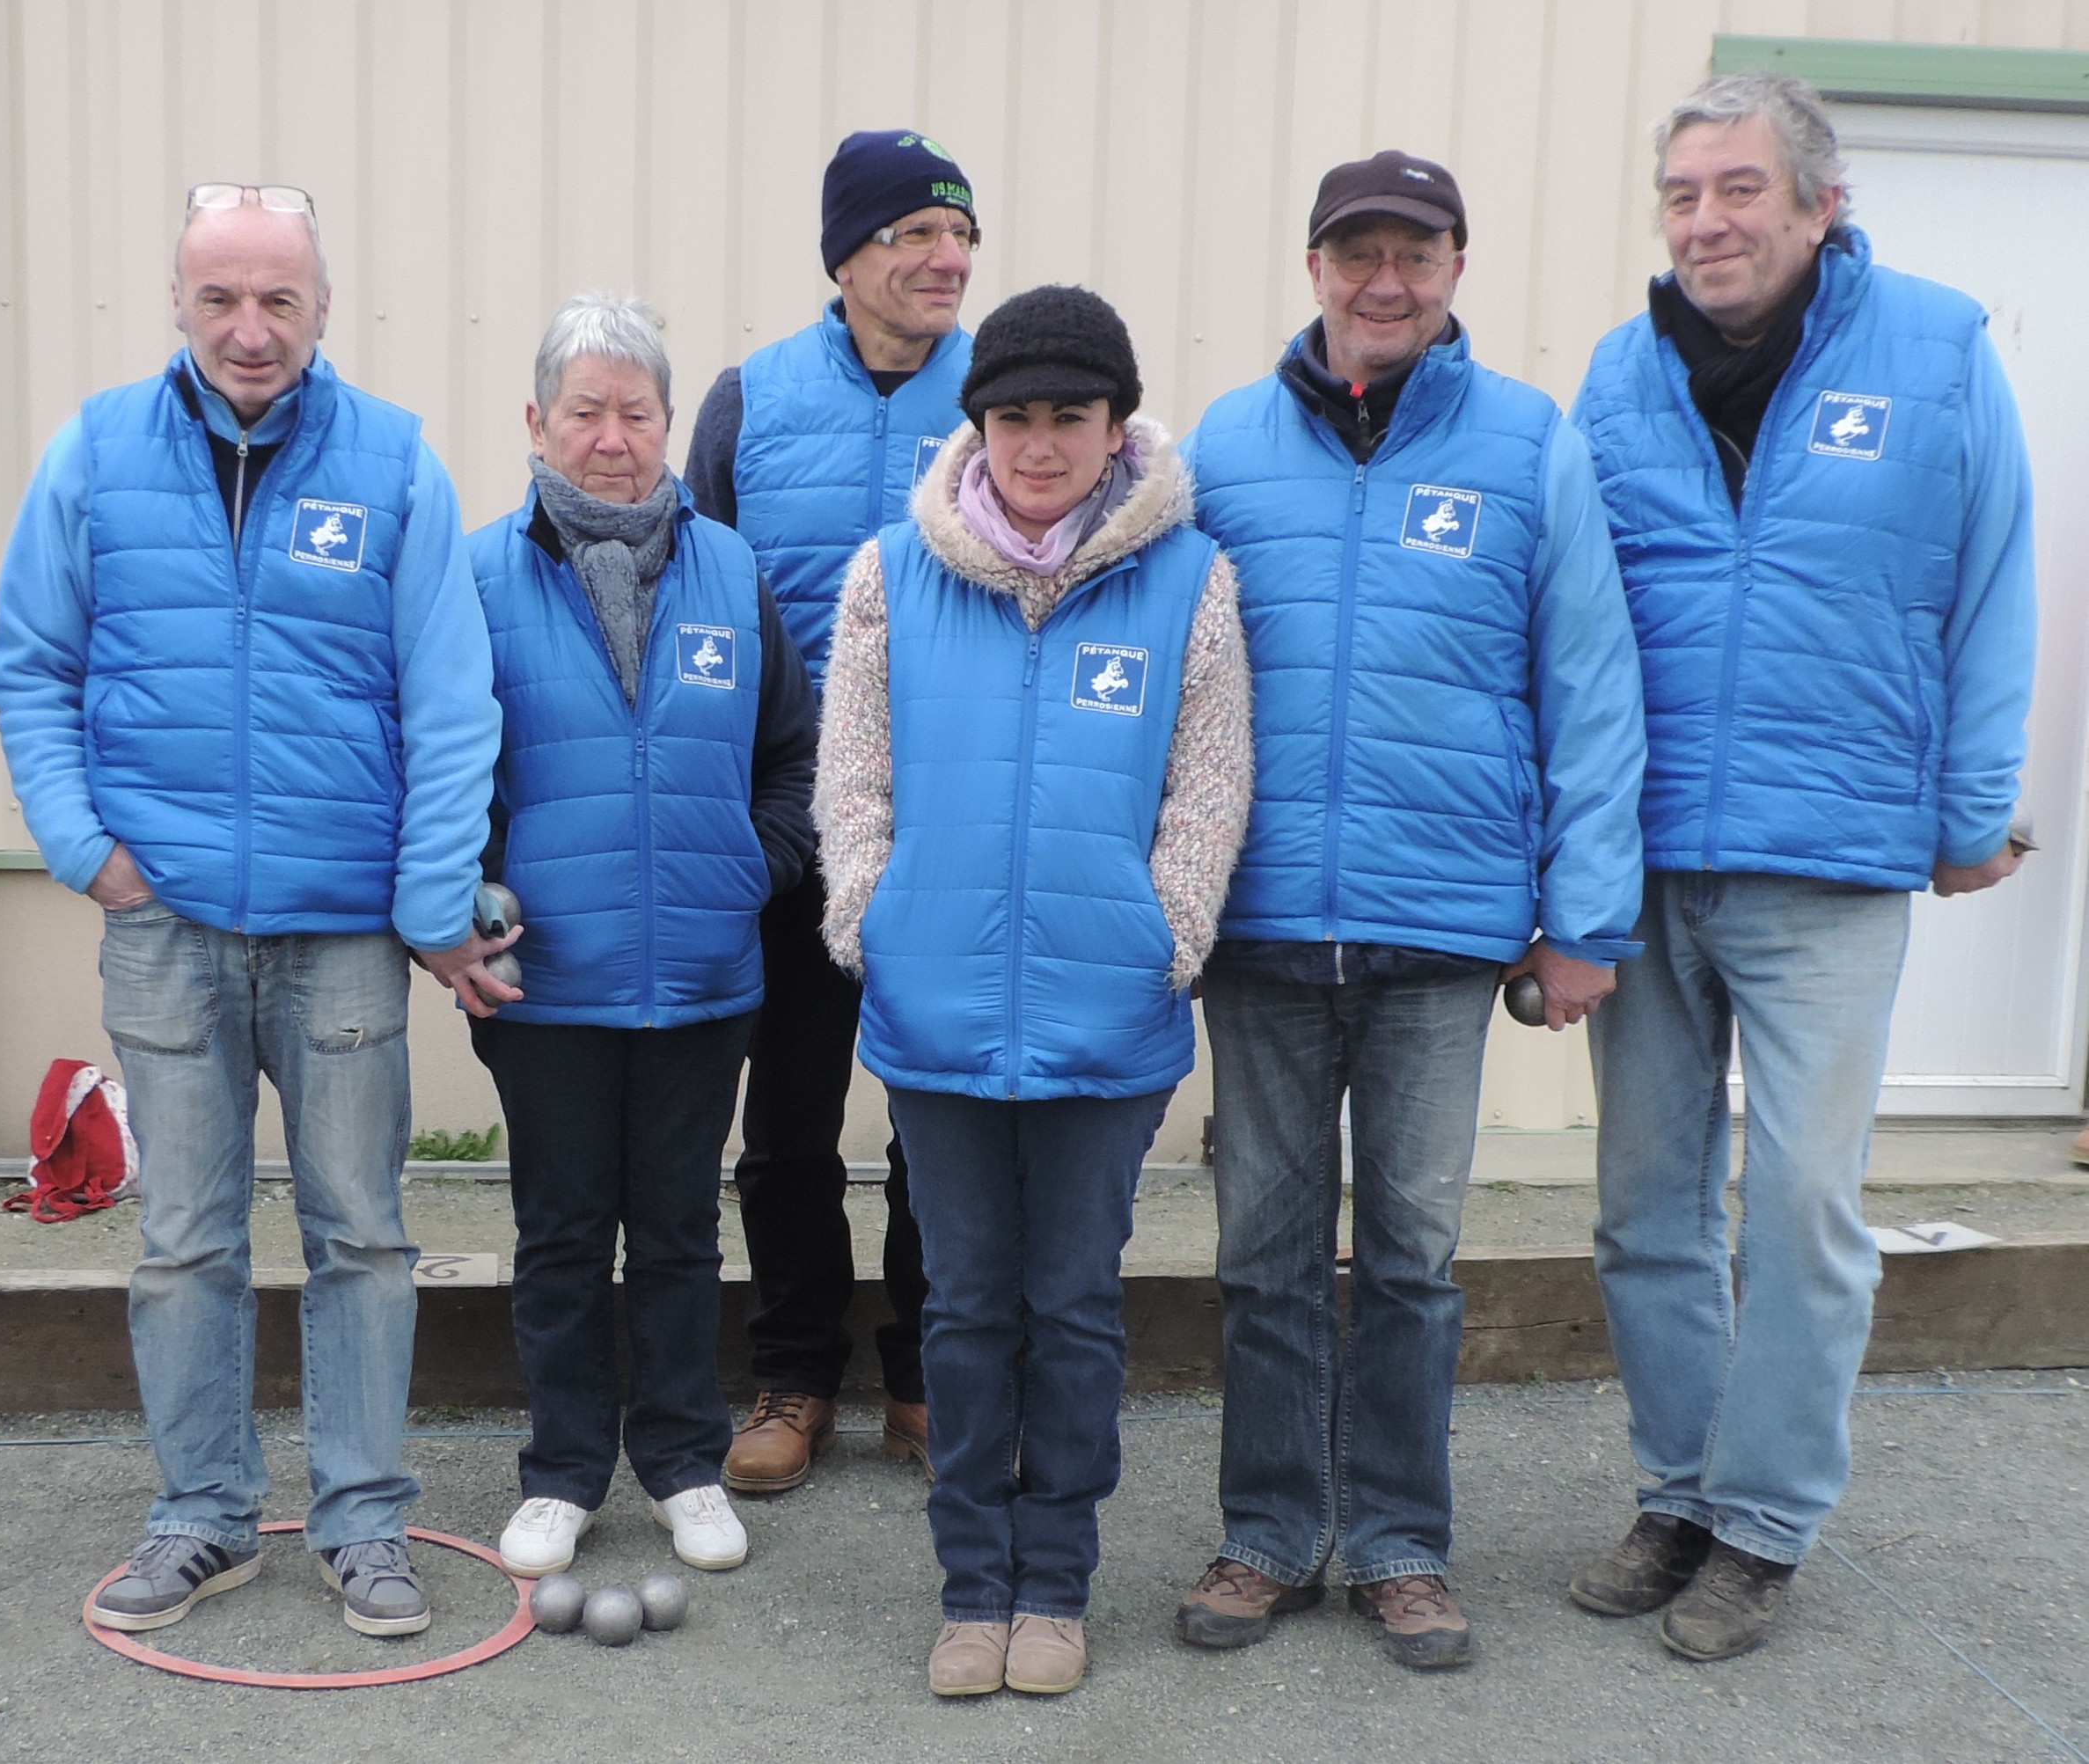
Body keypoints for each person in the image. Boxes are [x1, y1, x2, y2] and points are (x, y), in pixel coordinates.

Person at [0, 183, 504, 1640]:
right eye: (221, 297)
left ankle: (363, 1521)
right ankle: (202, 1514)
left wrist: (419, 901)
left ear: (323, 308)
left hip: (342, 931)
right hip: (166, 923)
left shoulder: (395, 463)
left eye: (279, 298)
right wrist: (89, 851)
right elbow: (30, 664)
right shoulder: (94, 454)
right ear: (177, 302)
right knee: (186, 1238)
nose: (250, 327)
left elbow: (449, 697)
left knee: (360, 1232)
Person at [1568, 73, 2034, 1662]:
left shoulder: (1938, 347)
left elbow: (1992, 581)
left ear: (1819, 202)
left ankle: (1764, 1522)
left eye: (1741, 189)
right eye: (1684, 195)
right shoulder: (1620, 378)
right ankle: (1680, 1491)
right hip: (1644, 863)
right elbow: (1569, 632)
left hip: (1829, 856)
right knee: (1643, 1202)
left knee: (1805, 1208)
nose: (1708, 221)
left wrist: (1970, 808)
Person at [1175, 151, 1647, 1673]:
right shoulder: (1221, 451)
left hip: (1443, 930)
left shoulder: (1528, 444)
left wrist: (1586, 915)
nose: (1387, 281)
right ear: (1313, 266)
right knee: (1261, 1248)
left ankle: (1397, 1541)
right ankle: (1266, 1530)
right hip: (1257, 928)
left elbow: (1588, 686)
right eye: (1357, 250)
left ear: (1457, 267)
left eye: (1418, 252)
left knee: (1411, 1260)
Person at [815, 284, 1253, 1698]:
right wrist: (868, 914)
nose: (1042, 441)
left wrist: (1165, 932)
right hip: (936, 1010)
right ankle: (972, 1582)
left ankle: (1054, 1576)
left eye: (1071, 413)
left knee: (1070, 1304)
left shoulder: (1189, 579)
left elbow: (1207, 784)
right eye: (1015, 415)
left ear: (1116, 423)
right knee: (958, 1305)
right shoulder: (892, 572)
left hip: (1106, 1019)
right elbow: (854, 777)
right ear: (979, 425)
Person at [465, 294, 817, 1581]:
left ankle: (680, 1458)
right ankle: (562, 1469)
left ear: (669, 424)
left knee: (676, 1228)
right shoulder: (475, 575)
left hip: (702, 976)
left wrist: (749, 869)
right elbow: (444, 771)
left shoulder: (731, 569)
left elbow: (792, 759)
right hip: (543, 980)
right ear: (537, 425)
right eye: (586, 412)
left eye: (637, 412)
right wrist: (469, 899)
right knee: (562, 1229)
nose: (613, 438)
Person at [684, 128, 978, 1491]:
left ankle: (926, 1370)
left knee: (937, 1108)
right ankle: (795, 1370)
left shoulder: (1006, 397)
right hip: (801, 824)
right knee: (790, 1113)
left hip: (955, 827)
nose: (947, 257)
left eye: (960, 234)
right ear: (848, 257)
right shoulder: (750, 400)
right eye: (917, 234)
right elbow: (703, 601)